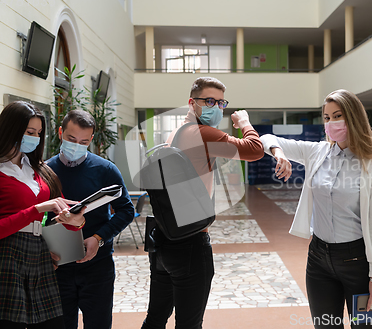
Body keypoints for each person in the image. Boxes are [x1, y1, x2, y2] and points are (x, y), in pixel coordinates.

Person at [141, 76, 264, 329]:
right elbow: (254, 149)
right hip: (189, 243)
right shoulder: (202, 133)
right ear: (192, 102)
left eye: (221, 102)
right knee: (190, 324)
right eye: (209, 101)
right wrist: (244, 123)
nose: (216, 107)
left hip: (163, 239)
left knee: (155, 319)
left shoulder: (177, 131)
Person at [261, 89, 372, 329]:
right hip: (319, 258)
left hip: (358, 261)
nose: (330, 123)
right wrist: (279, 155)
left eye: (337, 116)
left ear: (353, 118)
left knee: (369, 327)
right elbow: (267, 138)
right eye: (327, 118)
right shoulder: (317, 152)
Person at [0, 101, 87, 329]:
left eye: (38, 133)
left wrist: (74, 221)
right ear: (10, 128)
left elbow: (57, 213)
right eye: (29, 132)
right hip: (6, 256)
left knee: (53, 323)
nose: (35, 138)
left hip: (40, 254)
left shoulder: (39, 169)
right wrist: (37, 210)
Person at [46, 110, 135, 329]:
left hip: (98, 265)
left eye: (84, 141)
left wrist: (99, 238)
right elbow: (37, 217)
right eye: (71, 139)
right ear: (60, 132)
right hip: (58, 266)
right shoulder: (45, 171)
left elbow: (126, 211)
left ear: (92, 139)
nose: (76, 146)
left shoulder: (106, 170)